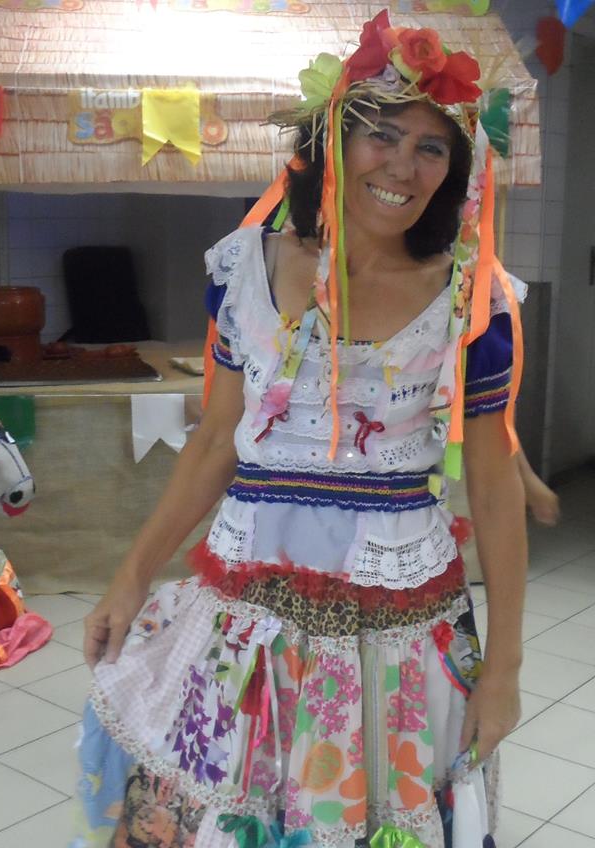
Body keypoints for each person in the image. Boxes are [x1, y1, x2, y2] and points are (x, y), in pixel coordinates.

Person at [75, 12, 527, 848]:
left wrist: (503, 667)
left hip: (401, 626)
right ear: (332, 140)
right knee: (233, 806)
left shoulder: (472, 297)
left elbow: (496, 489)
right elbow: (217, 441)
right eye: (382, 136)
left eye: (431, 148)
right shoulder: (246, 266)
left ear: (455, 170)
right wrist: (130, 578)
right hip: (247, 609)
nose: (403, 167)